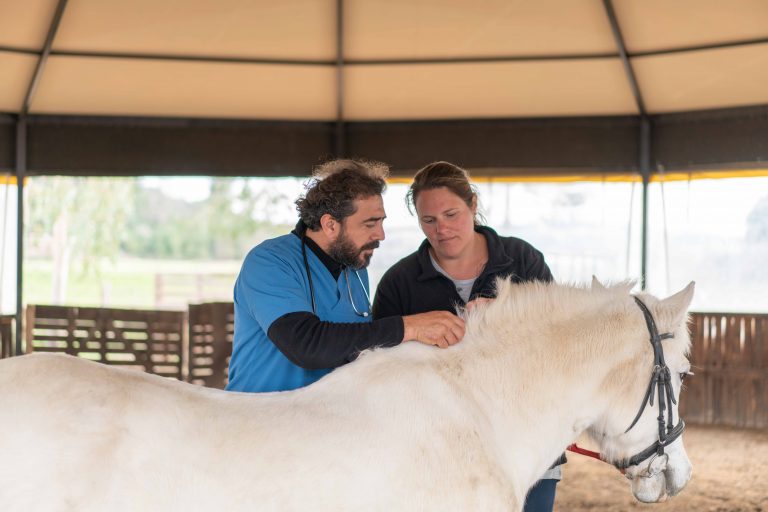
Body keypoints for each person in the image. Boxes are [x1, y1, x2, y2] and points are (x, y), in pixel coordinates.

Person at [372, 161, 564, 512]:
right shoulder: (399, 282)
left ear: (473, 205)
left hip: (528, 438)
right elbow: (380, 369)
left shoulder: (522, 260)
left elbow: (557, 341)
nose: (442, 229)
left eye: (451, 214)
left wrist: (506, 314)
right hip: (437, 448)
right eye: (429, 220)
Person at [226, 158, 465, 393]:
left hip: (327, 414)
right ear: (330, 225)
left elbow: (361, 342)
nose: (381, 235)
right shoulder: (270, 261)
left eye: (381, 222)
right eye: (370, 224)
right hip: (261, 413)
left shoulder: (355, 270)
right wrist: (410, 327)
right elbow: (306, 345)